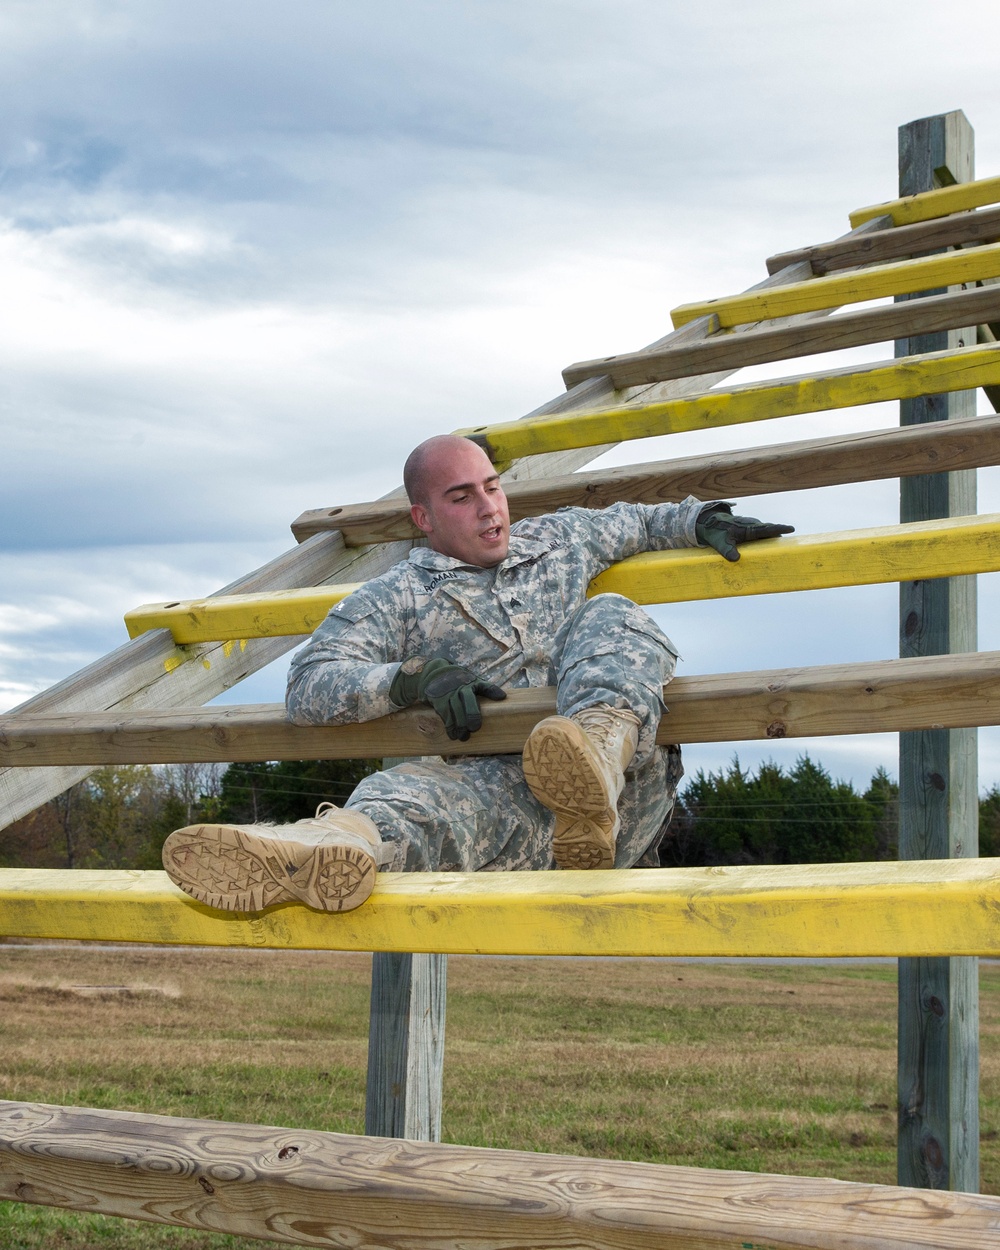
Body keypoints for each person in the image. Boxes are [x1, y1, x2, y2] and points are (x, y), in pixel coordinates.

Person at [162, 435, 792, 914]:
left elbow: (642, 521)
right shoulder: (397, 596)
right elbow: (309, 685)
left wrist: (700, 520)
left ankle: (595, 754)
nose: (489, 508)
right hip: (505, 811)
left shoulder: (559, 540)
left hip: (625, 792)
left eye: (492, 487)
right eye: (461, 497)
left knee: (611, 615)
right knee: (412, 791)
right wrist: (409, 679)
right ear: (423, 520)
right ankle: (318, 851)